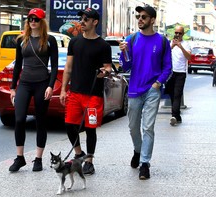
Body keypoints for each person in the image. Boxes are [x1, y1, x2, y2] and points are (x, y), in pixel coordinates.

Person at [119, 5, 172, 180]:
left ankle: (145, 163)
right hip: (134, 89)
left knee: (148, 127)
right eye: (138, 16)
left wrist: (158, 83)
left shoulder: (162, 41)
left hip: (152, 90)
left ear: (152, 20)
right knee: (133, 126)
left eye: (143, 16)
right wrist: (124, 52)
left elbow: (167, 67)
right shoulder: (132, 39)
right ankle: (137, 150)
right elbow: (125, 66)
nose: (140, 19)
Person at [59, 8, 112, 175]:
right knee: (69, 125)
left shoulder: (103, 45)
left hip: (93, 95)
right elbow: (68, 67)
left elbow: (108, 68)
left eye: (86, 19)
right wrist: (63, 90)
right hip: (74, 93)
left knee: (90, 128)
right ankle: (78, 153)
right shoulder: (74, 42)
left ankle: (89, 161)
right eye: (81, 18)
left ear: (94, 22)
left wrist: (105, 72)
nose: (82, 22)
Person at [9, 8, 58, 172]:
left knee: (40, 120)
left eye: (36, 19)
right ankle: (20, 157)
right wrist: (12, 88)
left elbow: (55, 65)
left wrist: (51, 86)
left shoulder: (50, 40)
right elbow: (17, 65)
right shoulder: (22, 40)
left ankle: (38, 159)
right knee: (19, 119)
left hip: (42, 83)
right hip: (24, 83)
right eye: (30, 19)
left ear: (42, 22)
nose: (33, 22)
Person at [165, 25, 191, 126]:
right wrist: (172, 46)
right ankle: (178, 115)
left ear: (183, 34)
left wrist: (181, 47)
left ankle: (174, 116)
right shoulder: (170, 43)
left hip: (181, 73)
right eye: (176, 33)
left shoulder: (186, 44)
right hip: (171, 72)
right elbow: (164, 54)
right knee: (171, 94)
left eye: (180, 33)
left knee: (177, 94)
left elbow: (189, 57)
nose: (177, 35)